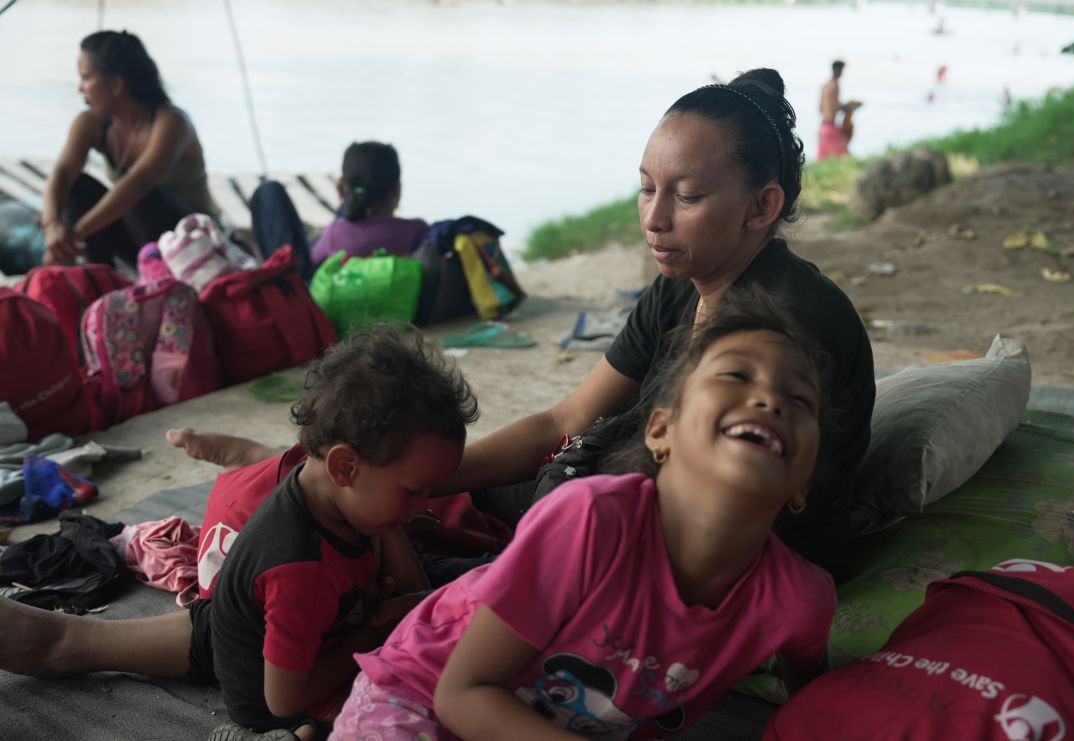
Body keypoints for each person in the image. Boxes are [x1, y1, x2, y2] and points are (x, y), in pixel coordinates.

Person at [171, 68, 876, 579]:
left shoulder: (784, 328)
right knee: (407, 479)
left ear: (761, 206)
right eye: (645, 188)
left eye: (686, 195)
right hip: (614, 490)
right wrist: (430, 482)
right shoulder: (685, 282)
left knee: (385, 594)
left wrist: (548, 529)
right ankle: (306, 473)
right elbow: (564, 419)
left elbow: (726, 512)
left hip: (716, 548)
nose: (655, 218)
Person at [328, 288, 839, 739]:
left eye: (799, 398)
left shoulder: (797, 600)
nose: (769, 399)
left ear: (804, 483)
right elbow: (462, 694)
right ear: (660, 431)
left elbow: (823, 710)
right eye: (736, 374)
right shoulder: (592, 519)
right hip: (420, 696)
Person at [0, 327, 479, 741]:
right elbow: (281, 696)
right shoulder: (299, 565)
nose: (423, 508)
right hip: (275, 692)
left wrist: (392, 542)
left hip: (276, 626)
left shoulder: (344, 498)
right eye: (415, 492)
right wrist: (376, 628)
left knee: (68, 642)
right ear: (345, 465)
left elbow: (415, 592)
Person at [40, 30, 222, 267]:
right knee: (77, 187)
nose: (80, 88)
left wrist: (74, 235)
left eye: (86, 78)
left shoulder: (172, 122)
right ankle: (98, 276)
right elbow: (62, 173)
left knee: (137, 196)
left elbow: (138, 183)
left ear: (116, 84)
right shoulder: (91, 122)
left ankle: (162, 280)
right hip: (139, 237)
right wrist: (52, 225)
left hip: (195, 240)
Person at [247, 141, 428, 280]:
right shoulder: (418, 230)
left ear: (341, 187)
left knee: (269, 191)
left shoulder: (335, 234)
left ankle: (351, 196)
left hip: (312, 293)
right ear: (396, 190)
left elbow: (309, 265)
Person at [817, 60, 863, 161]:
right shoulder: (835, 85)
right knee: (844, 157)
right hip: (831, 128)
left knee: (823, 161)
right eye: (842, 70)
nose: (842, 73)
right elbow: (835, 107)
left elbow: (820, 109)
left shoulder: (824, 86)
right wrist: (848, 107)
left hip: (823, 127)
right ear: (837, 70)